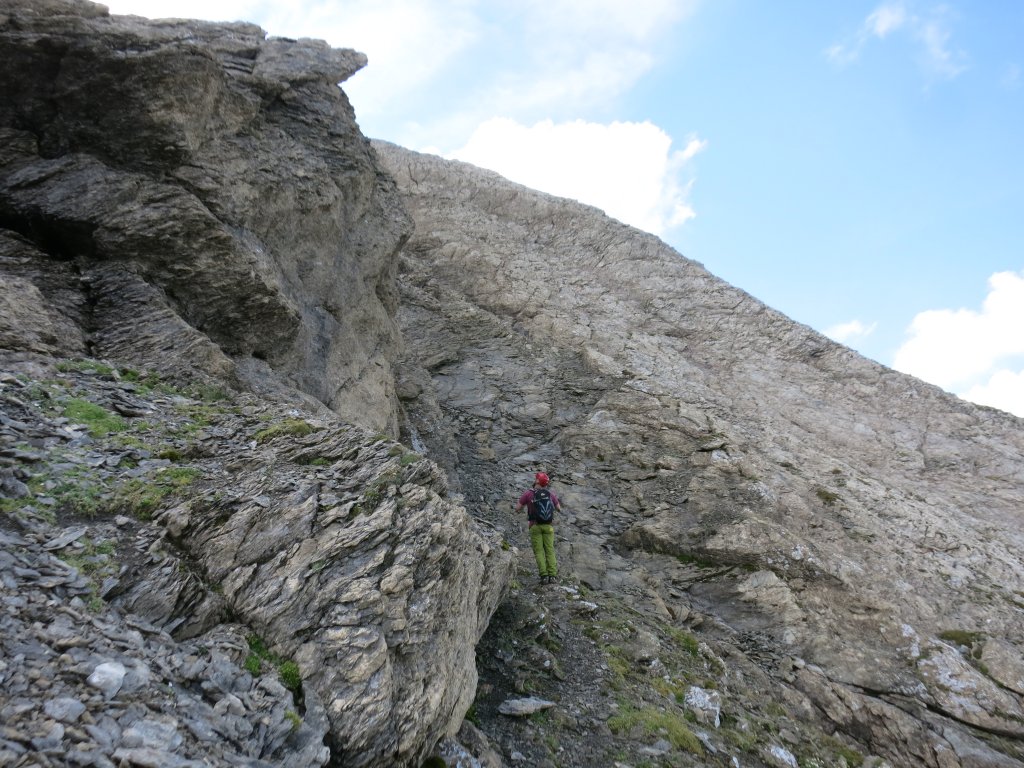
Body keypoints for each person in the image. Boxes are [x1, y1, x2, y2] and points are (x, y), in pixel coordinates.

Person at [514, 471, 561, 585]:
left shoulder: (528, 494)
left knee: (539, 551)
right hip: (548, 527)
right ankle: (553, 576)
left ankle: (544, 576)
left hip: (534, 526)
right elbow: (559, 509)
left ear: (537, 481)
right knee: (550, 550)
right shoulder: (551, 494)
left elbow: (517, 508)